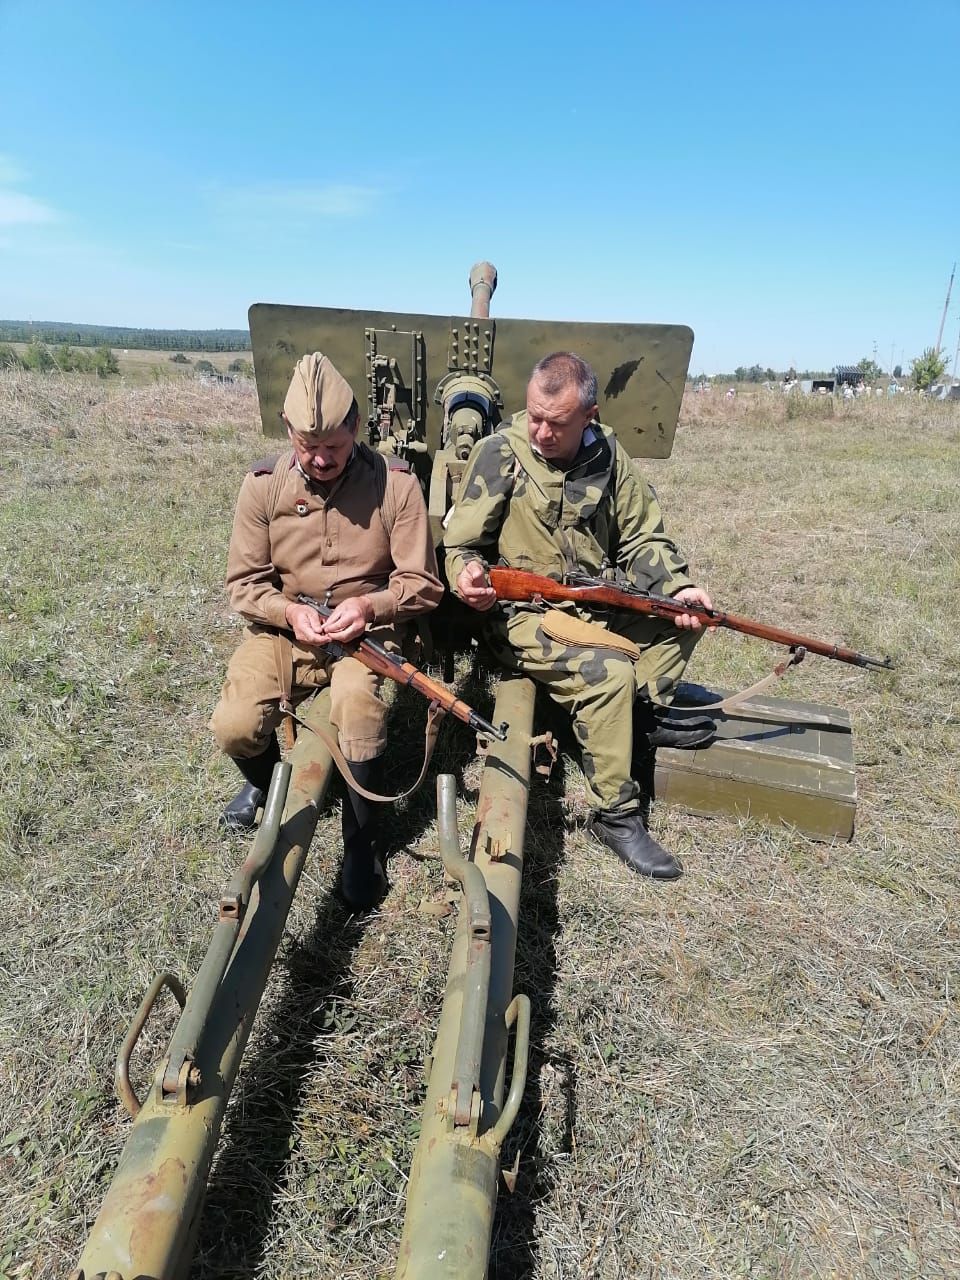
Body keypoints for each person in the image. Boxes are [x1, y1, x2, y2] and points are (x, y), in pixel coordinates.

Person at [443, 351, 713, 882]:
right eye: (535, 417)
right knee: (607, 672)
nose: (541, 432)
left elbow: (643, 539)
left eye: (557, 423)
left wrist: (678, 586)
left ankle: (634, 722)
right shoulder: (500, 454)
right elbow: (462, 545)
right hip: (522, 618)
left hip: (595, 605)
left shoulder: (611, 458)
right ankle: (616, 814)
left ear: (589, 415)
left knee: (682, 620)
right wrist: (469, 575)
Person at [210, 352, 443, 909]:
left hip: (367, 634)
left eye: (333, 448)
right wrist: (289, 614)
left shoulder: (396, 485)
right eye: (306, 447)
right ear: (289, 432)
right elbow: (244, 584)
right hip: (286, 631)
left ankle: (362, 846)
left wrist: (370, 606)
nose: (318, 460)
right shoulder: (262, 486)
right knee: (235, 724)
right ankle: (268, 785)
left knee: (359, 709)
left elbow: (424, 584)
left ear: (356, 428)